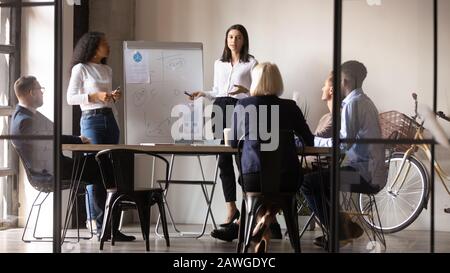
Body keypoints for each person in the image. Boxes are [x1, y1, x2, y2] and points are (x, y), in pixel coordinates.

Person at [11, 76, 135, 241]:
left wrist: (77, 139)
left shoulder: (23, 116)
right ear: (31, 92)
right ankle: (107, 226)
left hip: (53, 168)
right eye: (40, 89)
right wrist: (76, 140)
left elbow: (51, 137)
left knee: (103, 164)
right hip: (52, 172)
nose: (42, 92)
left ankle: (106, 226)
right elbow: (49, 141)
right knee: (104, 165)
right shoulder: (25, 121)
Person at [300, 61, 387, 249]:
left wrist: (311, 141)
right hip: (370, 173)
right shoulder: (363, 101)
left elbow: (342, 145)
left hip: (365, 177)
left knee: (308, 183)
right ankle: (344, 228)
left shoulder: (353, 104)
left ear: (345, 80)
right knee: (323, 182)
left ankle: (339, 233)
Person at [229, 62, 314, 252]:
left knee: (258, 190)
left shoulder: (242, 105)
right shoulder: (290, 107)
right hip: (286, 178)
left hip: (252, 178)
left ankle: (261, 232)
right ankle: (267, 221)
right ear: (278, 82)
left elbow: (234, 143)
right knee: (280, 190)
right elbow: (309, 140)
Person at [189, 24, 261, 232]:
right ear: (226, 39)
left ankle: (248, 207)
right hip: (219, 107)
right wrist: (203, 93)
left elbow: (258, 91)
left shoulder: (251, 63)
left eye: (238, 37)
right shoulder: (219, 63)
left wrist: (245, 90)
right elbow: (217, 90)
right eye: (230, 36)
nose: (233, 40)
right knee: (223, 159)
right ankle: (231, 208)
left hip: (240, 108)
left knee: (242, 159)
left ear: (244, 40)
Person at [66, 32, 123, 236]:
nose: (108, 46)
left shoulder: (107, 69)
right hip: (91, 120)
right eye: (104, 43)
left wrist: (111, 98)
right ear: (93, 47)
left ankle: (111, 227)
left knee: (110, 173)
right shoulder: (80, 68)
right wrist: (95, 95)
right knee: (95, 171)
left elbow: (105, 99)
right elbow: (71, 98)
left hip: (109, 119)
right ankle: (99, 226)